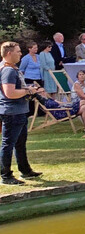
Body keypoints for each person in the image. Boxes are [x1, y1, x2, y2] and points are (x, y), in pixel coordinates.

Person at [0, 41, 41, 185]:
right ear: (9, 53)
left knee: (20, 143)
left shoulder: (12, 68)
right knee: (8, 144)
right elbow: (10, 93)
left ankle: (25, 170)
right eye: (18, 51)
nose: (20, 54)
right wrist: (28, 91)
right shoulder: (8, 70)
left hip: (19, 111)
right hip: (12, 112)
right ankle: (6, 175)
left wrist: (28, 89)